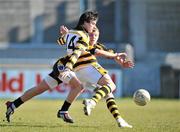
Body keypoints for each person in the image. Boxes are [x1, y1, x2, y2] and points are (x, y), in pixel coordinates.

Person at [5, 11, 99, 122]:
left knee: (38, 89)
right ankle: (63, 111)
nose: (94, 27)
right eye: (92, 23)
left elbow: (60, 41)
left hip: (61, 65)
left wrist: (65, 34)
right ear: (85, 22)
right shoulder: (84, 36)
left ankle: (12, 105)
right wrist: (68, 67)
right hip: (64, 67)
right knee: (79, 87)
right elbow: (75, 53)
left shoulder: (72, 32)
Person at [57, 26, 134, 128]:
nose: (93, 37)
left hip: (79, 74)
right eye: (91, 34)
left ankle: (119, 120)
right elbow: (97, 52)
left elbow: (110, 54)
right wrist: (64, 35)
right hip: (86, 67)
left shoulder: (97, 45)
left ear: (98, 36)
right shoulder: (85, 42)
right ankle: (91, 102)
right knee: (111, 85)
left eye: (95, 35)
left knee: (108, 93)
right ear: (87, 35)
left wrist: (121, 62)